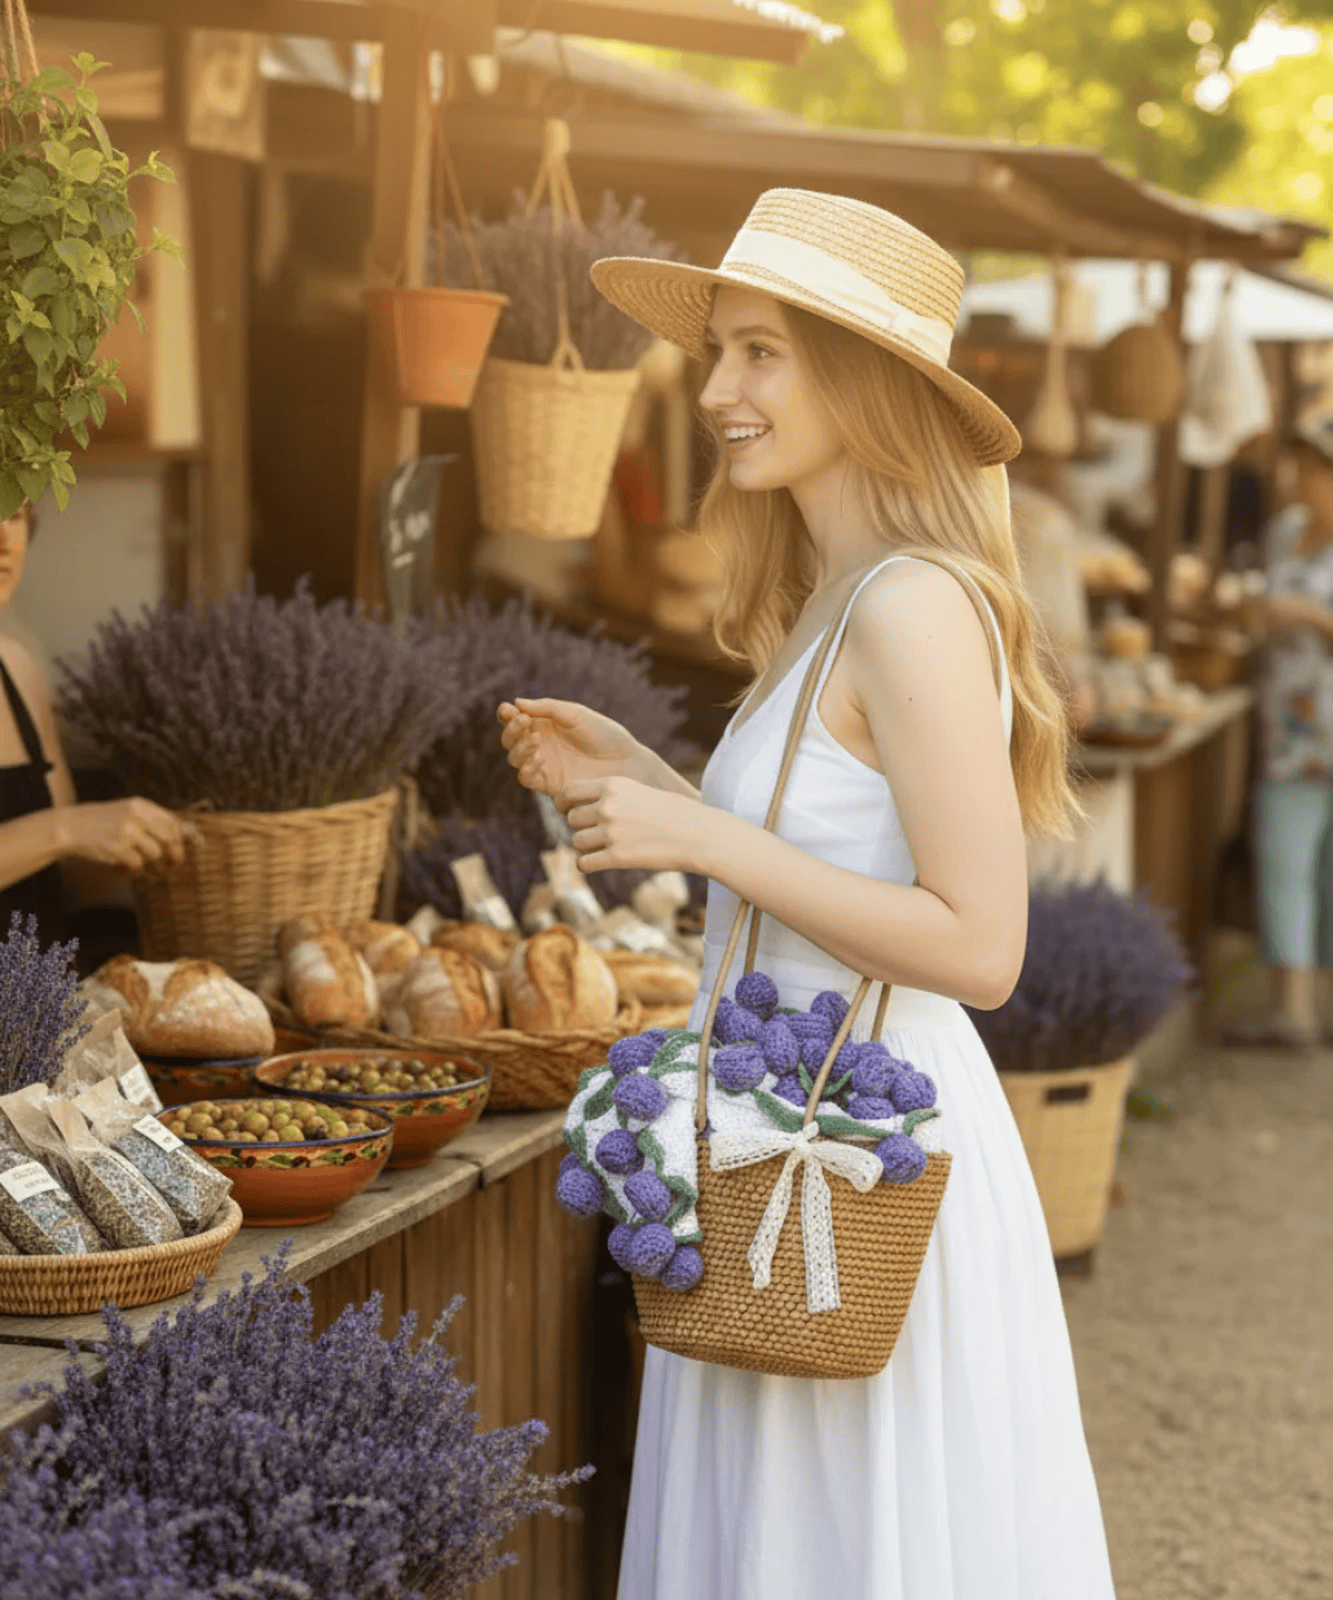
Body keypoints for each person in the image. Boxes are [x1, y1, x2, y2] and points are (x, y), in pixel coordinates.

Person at [497, 189, 1116, 1599]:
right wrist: (655, 780)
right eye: (721, 350)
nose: (717, 388)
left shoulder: (912, 601)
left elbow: (980, 944)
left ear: (863, 376)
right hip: (785, 1143)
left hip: (856, 1155)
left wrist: (703, 841)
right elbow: (832, 852)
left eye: (761, 352)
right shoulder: (839, 593)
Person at [0, 500, 187, 943]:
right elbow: (59, 835)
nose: (4, 537)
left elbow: (54, 886)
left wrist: (132, 856)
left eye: (16, 513)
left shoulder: (20, 672)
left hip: (37, 1006)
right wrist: (64, 830)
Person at [1228, 423, 1333, 1047]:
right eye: (1299, 469)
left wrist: (1309, 616)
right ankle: (1291, 1009)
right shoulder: (1286, 535)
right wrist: (1258, 618)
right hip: (1291, 732)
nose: (1303, 482)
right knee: (1285, 860)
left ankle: (1318, 1004)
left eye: (1316, 471)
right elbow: (1265, 609)